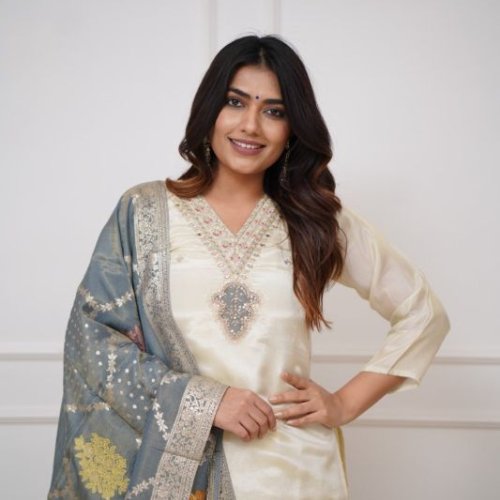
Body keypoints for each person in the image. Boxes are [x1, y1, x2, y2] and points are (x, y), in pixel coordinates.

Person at [48, 35, 450, 500]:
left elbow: (424, 313)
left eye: (274, 111)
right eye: (235, 102)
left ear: (293, 127)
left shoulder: (318, 221)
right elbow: (91, 339)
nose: (251, 125)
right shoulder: (143, 211)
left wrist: (344, 403)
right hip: (177, 474)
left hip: (291, 474)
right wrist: (208, 401)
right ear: (210, 110)